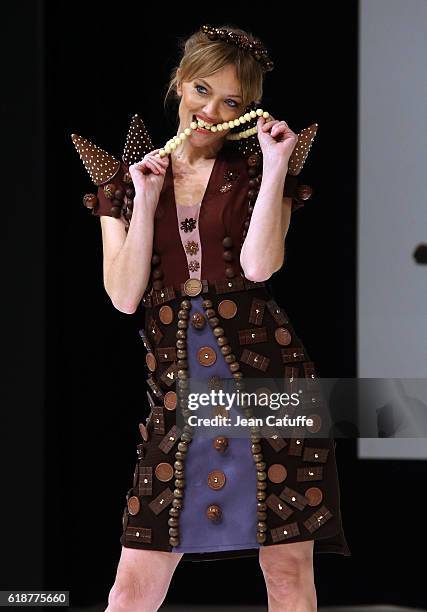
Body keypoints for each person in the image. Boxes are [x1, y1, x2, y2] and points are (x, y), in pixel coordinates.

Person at [72, 23, 351, 612]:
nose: (211, 110)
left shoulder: (255, 173)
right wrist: (145, 200)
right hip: (179, 392)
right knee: (133, 587)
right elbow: (124, 298)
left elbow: (258, 268)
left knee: (287, 572)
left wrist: (275, 169)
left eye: (233, 102)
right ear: (180, 84)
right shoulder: (126, 182)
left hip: (272, 377)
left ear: (247, 111)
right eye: (203, 90)